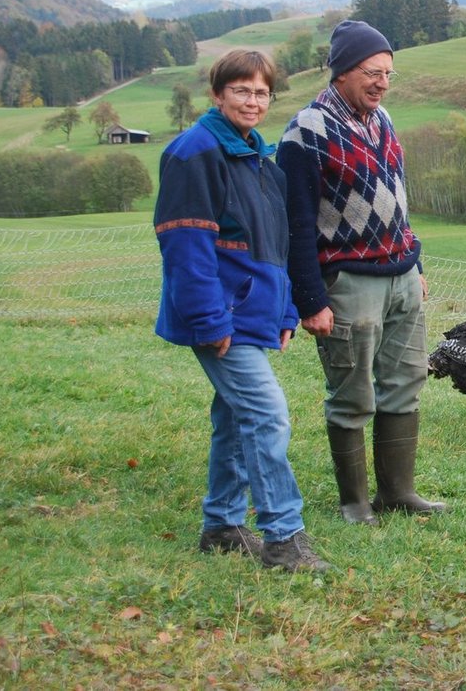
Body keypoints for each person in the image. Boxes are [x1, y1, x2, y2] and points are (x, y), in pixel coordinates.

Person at [154, 49, 330, 573]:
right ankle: (283, 537)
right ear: (217, 94)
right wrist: (210, 322)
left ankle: (223, 526)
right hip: (219, 316)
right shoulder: (195, 153)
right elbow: (186, 246)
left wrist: (283, 314)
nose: (253, 101)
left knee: (234, 417)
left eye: (261, 92)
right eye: (241, 91)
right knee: (266, 413)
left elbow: (273, 248)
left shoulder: (260, 163)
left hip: (253, 314)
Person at [277, 19, 447, 526]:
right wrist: (310, 299)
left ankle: (398, 492)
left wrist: (414, 263)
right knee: (352, 395)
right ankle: (355, 503)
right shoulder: (305, 131)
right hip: (348, 282)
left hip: (401, 278)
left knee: (405, 382)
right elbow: (296, 222)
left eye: (389, 74)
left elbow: (399, 202)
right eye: (373, 73)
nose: (382, 83)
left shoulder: (384, 119)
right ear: (343, 71)